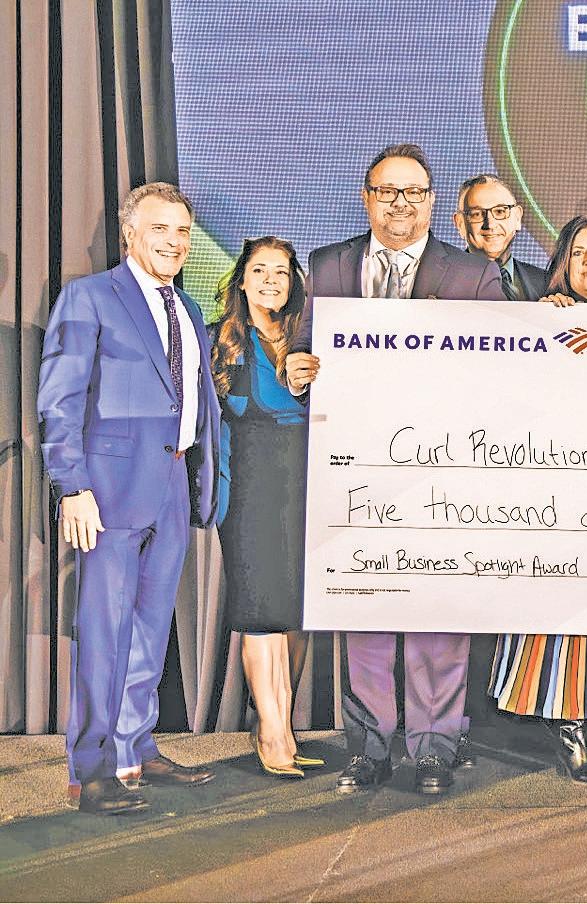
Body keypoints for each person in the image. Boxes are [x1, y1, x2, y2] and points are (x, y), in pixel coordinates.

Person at [288, 142, 505, 796]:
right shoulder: (329, 265)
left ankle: (435, 749)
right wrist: (298, 371)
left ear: (432, 202)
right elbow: (305, 348)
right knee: (366, 612)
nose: (400, 204)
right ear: (367, 198)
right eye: (387, 191)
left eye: (413, 192)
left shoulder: (471, 275)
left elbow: (504, 369)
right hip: (356, 469)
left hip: (444, 470)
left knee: (438, 614)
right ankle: (370, 749)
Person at [38, 182, 220, 814]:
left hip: (172, 482)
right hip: (108, 490)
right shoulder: (90, 297)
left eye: (183, 232)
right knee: (104, 630)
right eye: (159, 229)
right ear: (129, 234)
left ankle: (134, 748)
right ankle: (90, 769)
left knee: (149, 627)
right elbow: (60, 399)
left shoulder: (188, 307)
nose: (174, 242)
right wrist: (73, 486)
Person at [489, 215, 587, 785]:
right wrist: (542, 325)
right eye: (578, 254)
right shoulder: (542, 321)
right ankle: (568, 730)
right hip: (555, 489)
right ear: (562, 264)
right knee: (562, 610)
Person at [211, 237, 321, 779]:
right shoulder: (221, 342)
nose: (271, 280)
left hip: (308, 489)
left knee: (296, 612)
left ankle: (280, 725)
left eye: (281, 271)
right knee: (261, 611)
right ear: (242, 280)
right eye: (260, 270)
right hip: (249, 488)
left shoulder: (313, 339)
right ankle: (272, 734)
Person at [454, 174, 545, 300]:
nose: (490, 224)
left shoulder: (545, 283)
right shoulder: (440, 283)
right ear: (460, 224)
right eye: (477, 214)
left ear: (517, 218)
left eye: (500, 211)